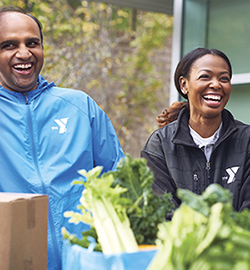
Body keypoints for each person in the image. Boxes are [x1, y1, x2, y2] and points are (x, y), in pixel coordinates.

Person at [0, 6, 124, 270]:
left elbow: (118, 178)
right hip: (17, 262)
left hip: (88, 261)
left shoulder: (80, 106)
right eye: (9, 45)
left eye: (32, 43)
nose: (24, 53)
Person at [141, 47, 250, 218]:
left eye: (224, 79)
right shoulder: (160, 145)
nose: (216, 84)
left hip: (236, 244)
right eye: (205, 77)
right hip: (183, 244)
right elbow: (161, 212)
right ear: (184, 84)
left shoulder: (247, 140)